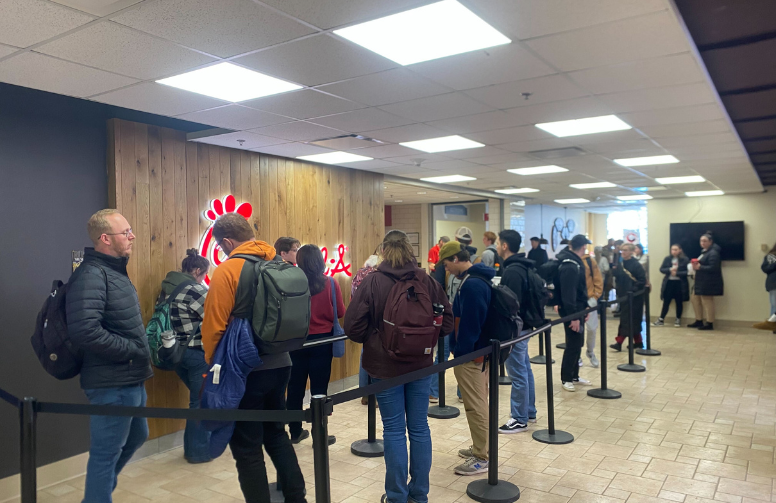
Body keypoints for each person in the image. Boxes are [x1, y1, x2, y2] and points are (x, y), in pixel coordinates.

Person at [201, 213, 306, 503]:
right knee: (277, 435)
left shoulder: (227, 270)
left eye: (221, 246)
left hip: (245, 370)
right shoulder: (278, 262)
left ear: (226, 241)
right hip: (282, 361)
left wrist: (213, 366)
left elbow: (213, 327)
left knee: (247, 449)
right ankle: (297, 498)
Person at [345, 230, 453, 503]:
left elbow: (352, 328)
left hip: (384, 367)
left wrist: (376, 336)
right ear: (409, 250)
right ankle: (419, 495)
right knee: (419, 428)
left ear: (383, 251)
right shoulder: (427, 281)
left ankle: (396, 496)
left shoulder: (373, 282)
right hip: (421, 365)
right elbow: (448, 324)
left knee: (393, 430)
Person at [66, 209, 153, 503]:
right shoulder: (91, 274)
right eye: (125, 232)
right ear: (105, 238)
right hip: (112, 382)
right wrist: (131, 350)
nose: (132, 236)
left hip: (131, 378)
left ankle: (100, 490)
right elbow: (85, 331)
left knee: (138, 435)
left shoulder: (113, 271)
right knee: (105, 456)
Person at [439, 241, 493, 475]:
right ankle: (481, 448)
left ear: (457, 259)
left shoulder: (471, 285)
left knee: (475, 406)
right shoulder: (475, 280)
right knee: (478, 403)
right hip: (478, 354)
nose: (446, 268)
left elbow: (472, 323)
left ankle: (483, 457)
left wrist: (463, 352)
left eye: (447, 262)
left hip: (473, 357)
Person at [286, 244, 345, 444]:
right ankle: (319, 435)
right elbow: (341, 312)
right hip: (323, 341)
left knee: (295, 388)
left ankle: (295, 431)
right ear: (319, 261)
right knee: (320, 390)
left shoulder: (291, 284)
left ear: (299, 262)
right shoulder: (330, 283)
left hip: (296, 341)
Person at [163, 249, 211, 463]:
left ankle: (198, 445)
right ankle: (198, 451)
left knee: (198, 401)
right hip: (196, 353)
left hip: (175, 351)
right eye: (203, 276)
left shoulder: (167, 288)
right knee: (201, 403)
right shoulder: (194, 289)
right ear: (197, 270)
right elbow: (216, 315)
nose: (203, 280)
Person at [495, 230, 537, 433]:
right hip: (526, 325)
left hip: (516, 328)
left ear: (504, 246)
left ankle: (519, 417)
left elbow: (509, 303)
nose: (496, 246)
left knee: (518, 371)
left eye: (497, 243)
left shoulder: (512, 271)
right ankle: (529, 410)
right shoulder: (523, 267)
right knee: (525, 368)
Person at [554, 235, 591, 392]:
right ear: (582, 247)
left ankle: (574, 375)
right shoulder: (570, 265)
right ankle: (566, 378)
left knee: (578, 343)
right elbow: (569, 295)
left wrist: (586, 308)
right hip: (572, 311)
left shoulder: (574, 262)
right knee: (573, 344)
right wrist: (574, 317)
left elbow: (580, 290)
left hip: (578, 309)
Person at [352, 252, 381, 404]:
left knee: (365, 353)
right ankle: (374, 393)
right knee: (375, 355)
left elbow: (353, 298)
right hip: (376, 319)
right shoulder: (376, 276)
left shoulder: (358, 275)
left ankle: (364, 392)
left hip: (361, 319)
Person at [610, 243, 647, 351]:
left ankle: (619, 342)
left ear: (631, 251)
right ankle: (639, 342)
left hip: (634, 297)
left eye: (626, 250)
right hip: (623, 296)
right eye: (622, 250)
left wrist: (632, 291)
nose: (623, 252)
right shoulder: (621, 263)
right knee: (629, 319)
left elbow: (641, 280)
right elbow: (618, 277)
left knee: (629, 319)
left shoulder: (636, 265)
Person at [689, 233, 723, 331]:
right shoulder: (705, 252)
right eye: (701, 241)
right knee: (695, 299)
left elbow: (713, 267)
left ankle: (709, 323)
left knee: (707, 302)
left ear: (710, 242)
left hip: (708, 282)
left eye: (705, 241)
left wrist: (700, 267)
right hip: (700, 281)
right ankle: (699, 320)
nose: (702, 243)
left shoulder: (713, 253)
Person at [653, 245, 689, 327]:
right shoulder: (667, 259)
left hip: (680, 283)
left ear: (680, 250)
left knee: (679, 302)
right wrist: (669, 270)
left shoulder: (685, 259)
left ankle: (678, 319)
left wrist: (677, 273)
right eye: (672, 249)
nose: (674, 251)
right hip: (669, 282)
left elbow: (687, 272)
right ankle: (661, 319)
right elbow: (661, 269)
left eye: (676, 249)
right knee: (666, 301)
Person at [582, 247, 603, 368]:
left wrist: (595, 296)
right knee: (575, 329)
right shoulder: (568, 260)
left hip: (590, 299)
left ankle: (590, 351)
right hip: (575, 300)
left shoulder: (590, 261)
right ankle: (577, 354)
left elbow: (598, 279)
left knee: (591, 328)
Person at [755, 244, 776, 329]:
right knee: (774, 305)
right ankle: (773, 325)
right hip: (774, 283)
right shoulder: (770, 256)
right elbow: (765, 268)